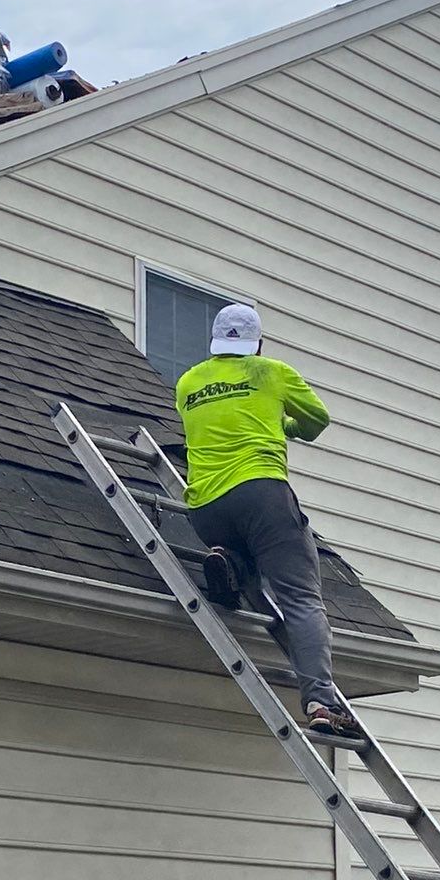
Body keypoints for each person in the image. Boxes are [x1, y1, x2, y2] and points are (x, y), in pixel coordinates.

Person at [173, 300, 359, 739]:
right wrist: (281, 425)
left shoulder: (188, 382)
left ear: (214, 343)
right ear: (259, 344)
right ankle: (321, 701)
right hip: (262, 494)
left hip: (206, 509)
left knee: (248, 561)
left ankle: (231, 566)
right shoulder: (271, 372)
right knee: (301, 598)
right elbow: (317, 421)